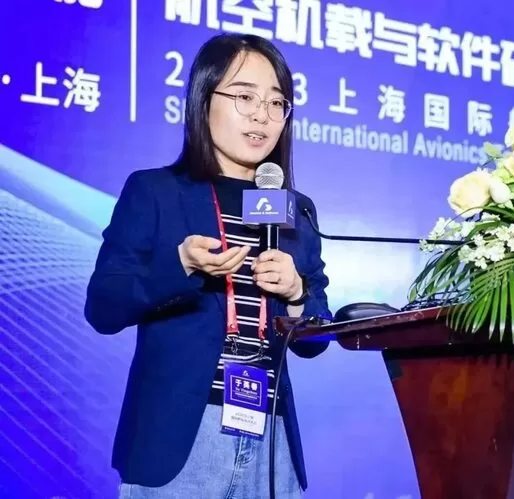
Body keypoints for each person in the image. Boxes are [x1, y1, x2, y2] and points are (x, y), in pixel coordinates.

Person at [84, 33, 331, 498]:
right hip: (181, 438)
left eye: (276, 102)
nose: (262, 115)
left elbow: (315, 338)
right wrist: (180, 265)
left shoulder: (295, 209)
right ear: (203, 99)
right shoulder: (156, 192)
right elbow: (103, 307)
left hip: (271, 438)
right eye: (245, 97)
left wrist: (297, 294)